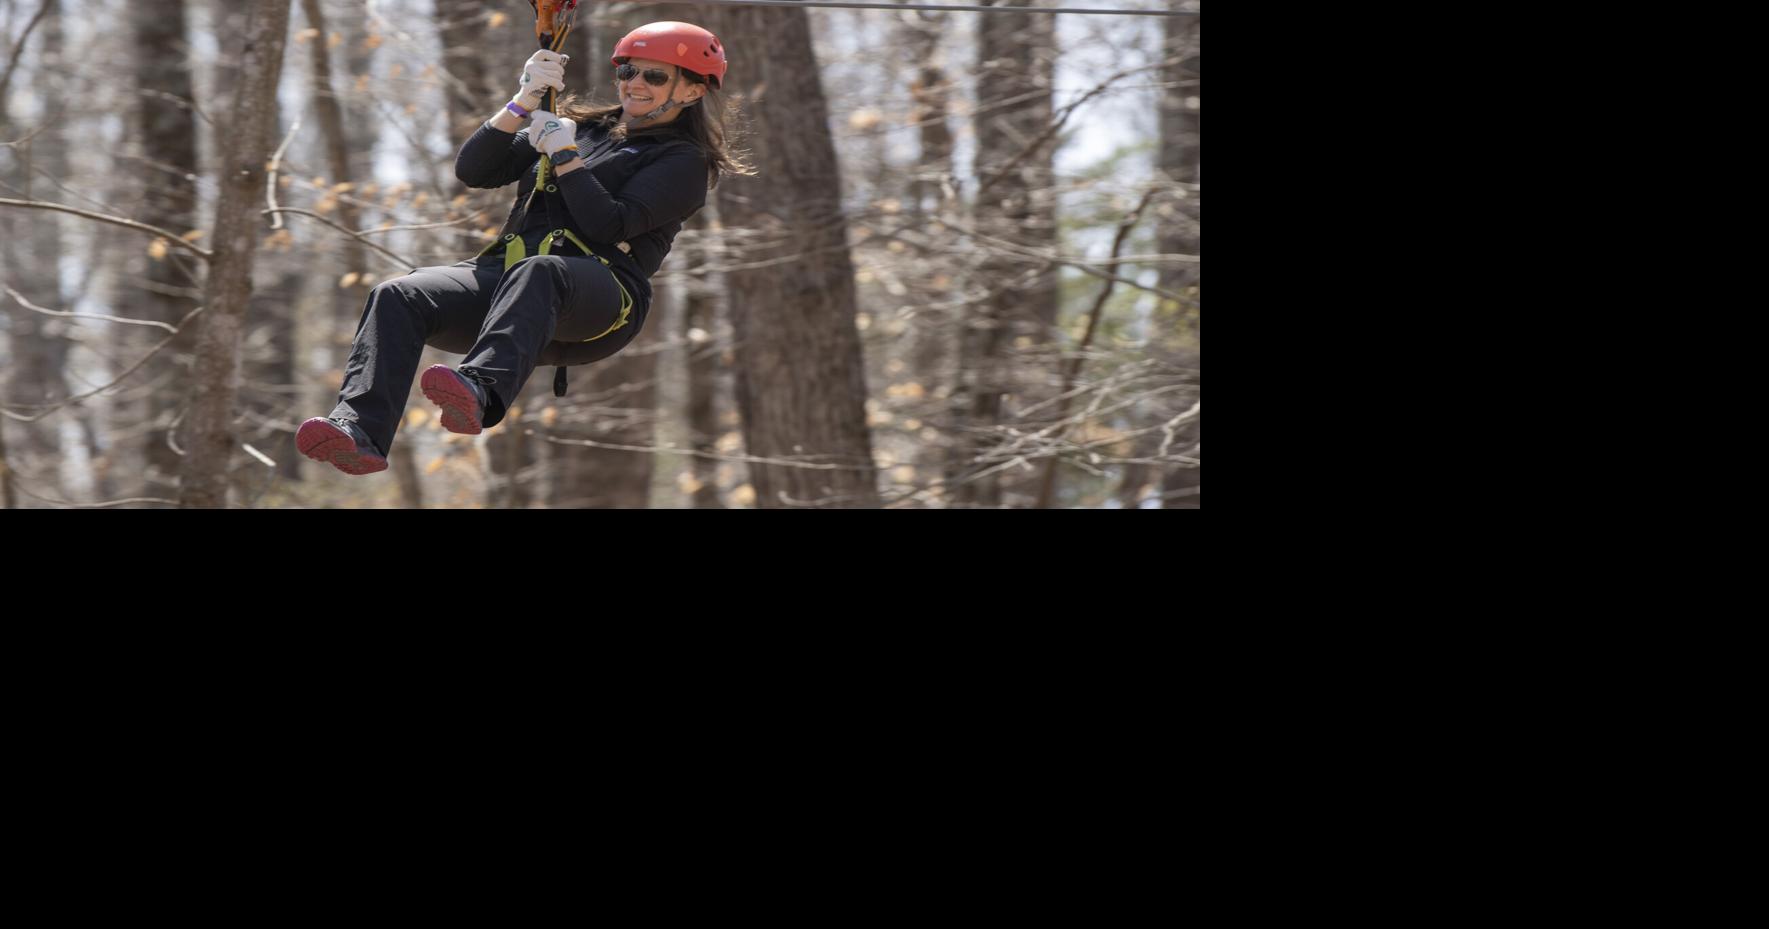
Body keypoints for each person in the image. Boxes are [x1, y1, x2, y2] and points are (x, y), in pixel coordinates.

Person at [296, 21, 745, 475]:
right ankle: (360, 431)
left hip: (603, 300)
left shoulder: (684, 161)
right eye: (628, 71)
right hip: (514, 284)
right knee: (398, 294)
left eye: (655, 76)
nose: (635, 83)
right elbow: (476, 171)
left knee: (542, 270)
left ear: (692, 91)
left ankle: (480, 389)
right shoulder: (582, 128)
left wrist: (565, 156)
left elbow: (609, 225)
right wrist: (522, 101)